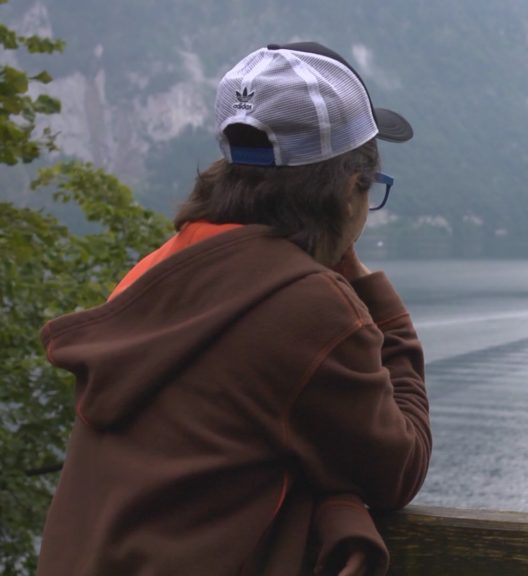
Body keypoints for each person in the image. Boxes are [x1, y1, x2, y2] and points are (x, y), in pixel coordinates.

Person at [37, 42, 430, 576]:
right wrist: (377, 304)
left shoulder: (156, 269)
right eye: (371, 189)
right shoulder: (308, 309)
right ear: (347, 189)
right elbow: (399, 468)